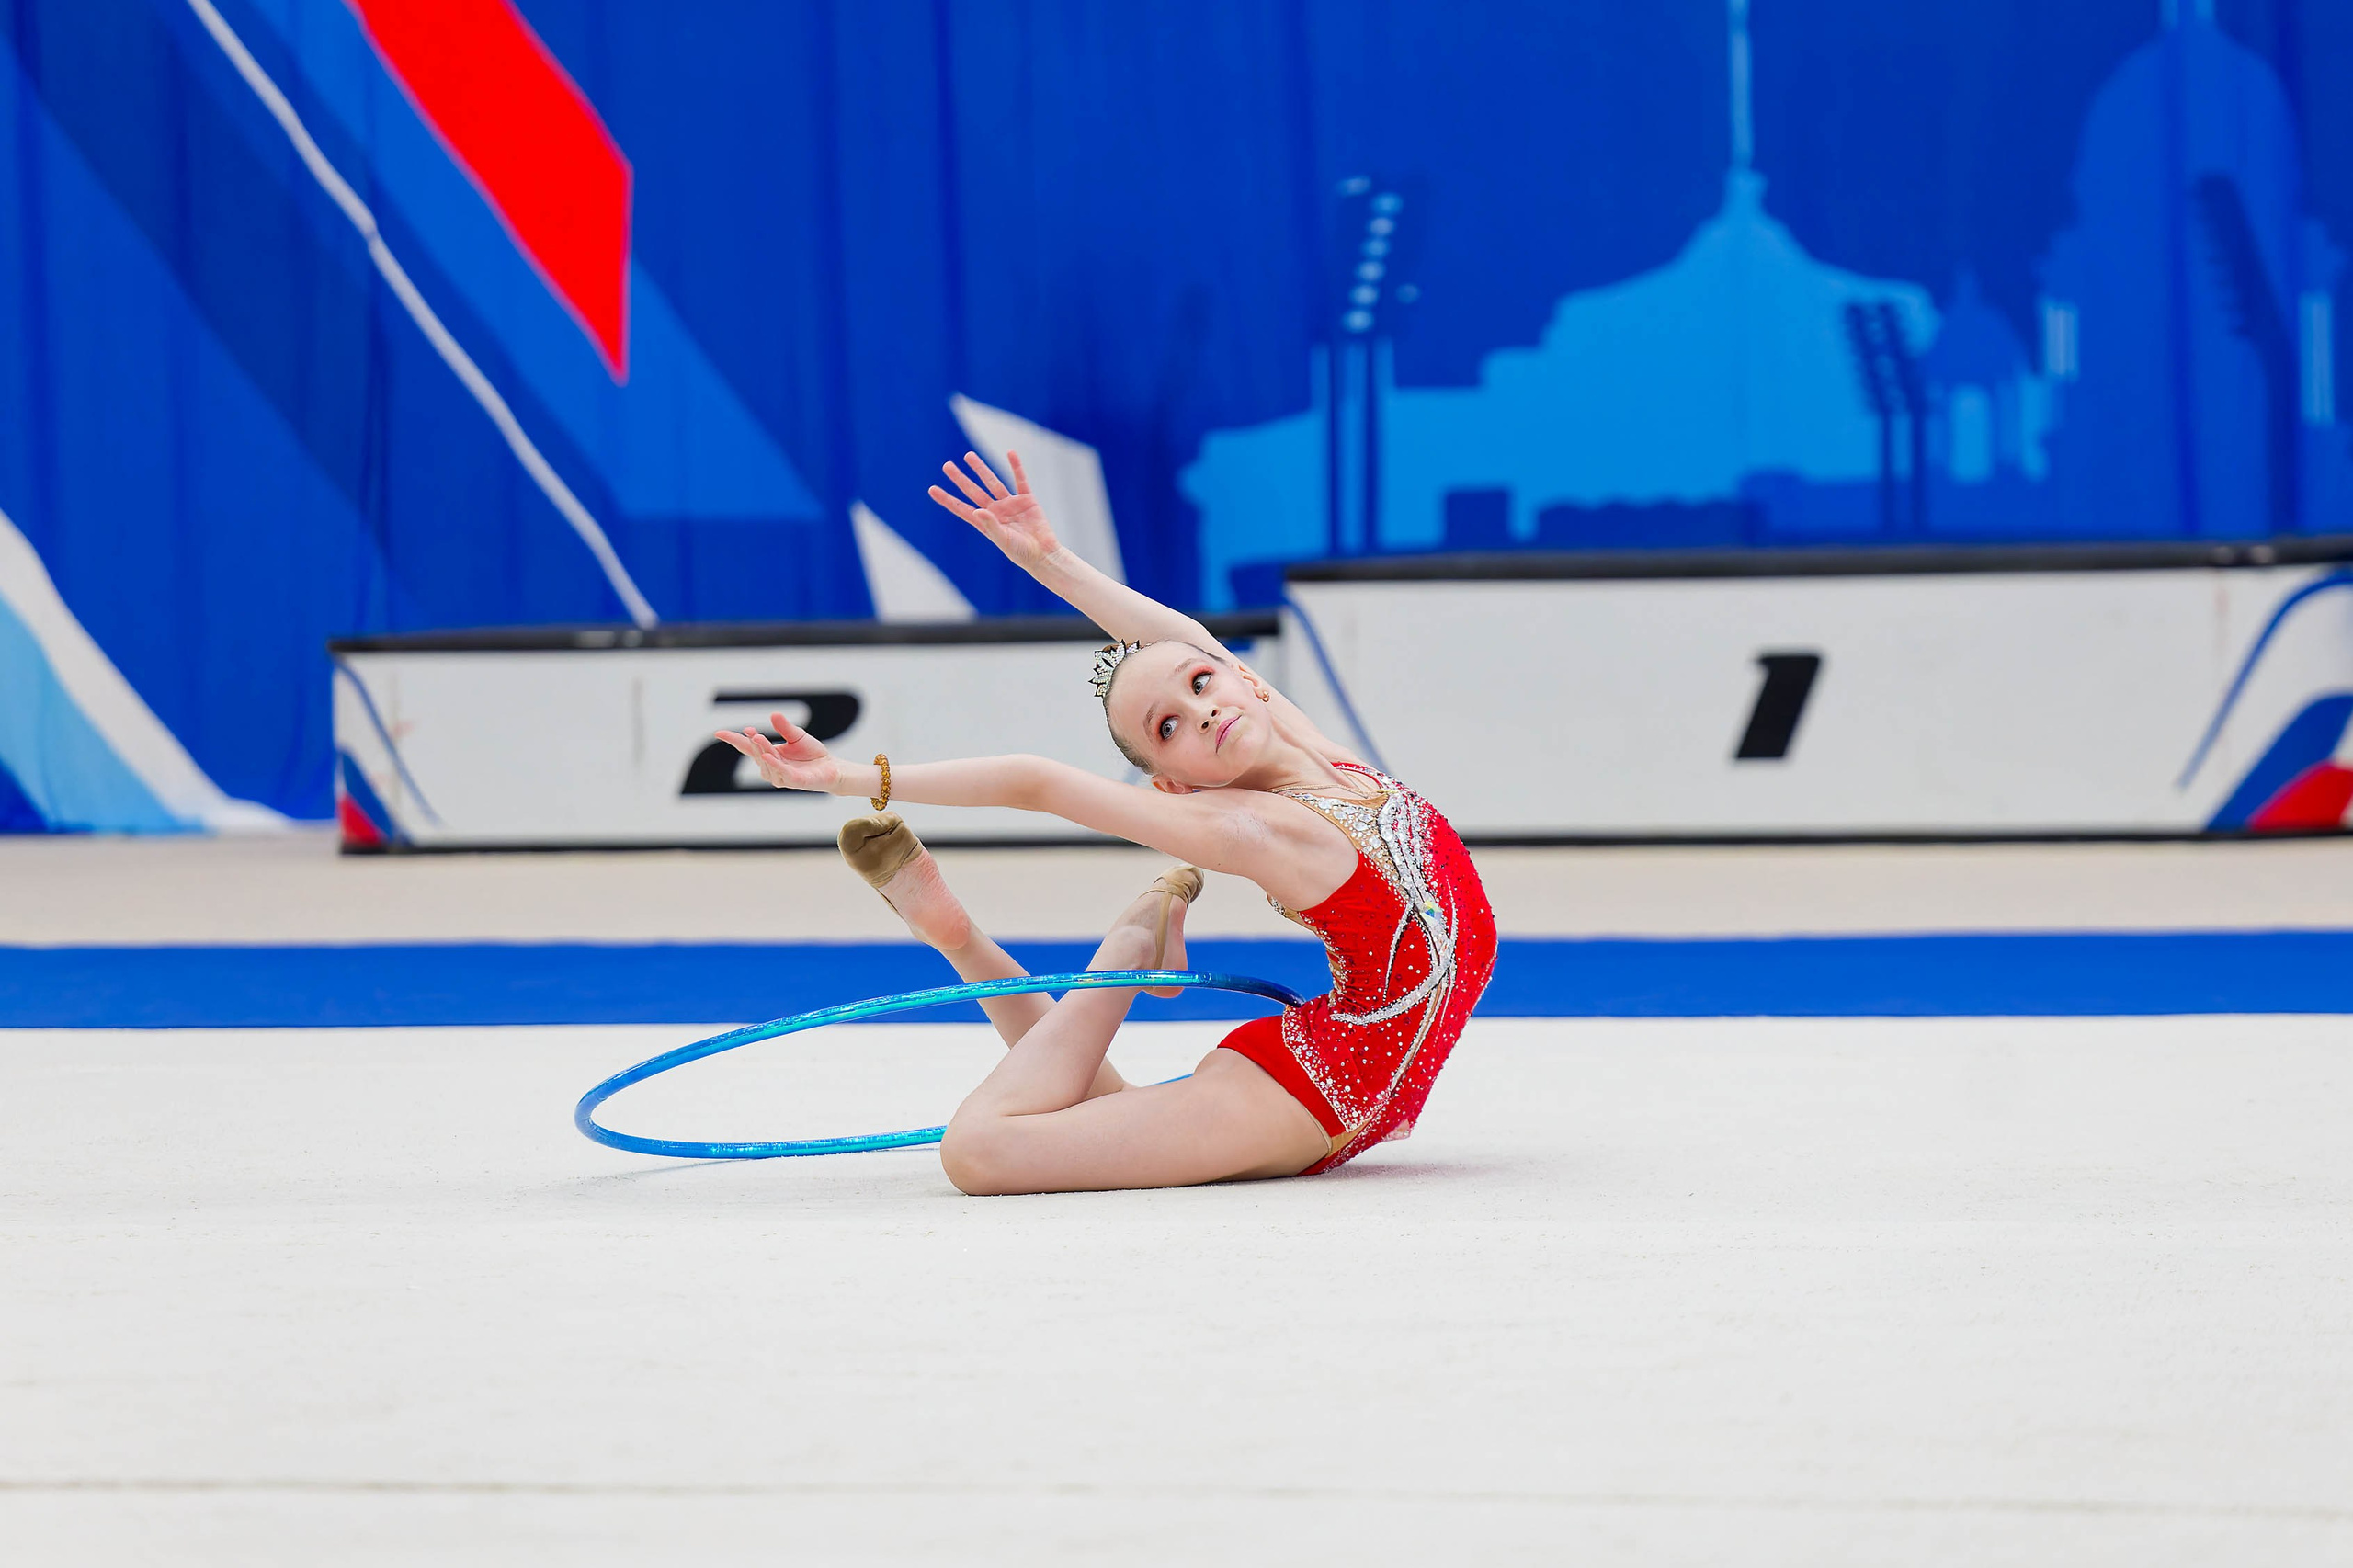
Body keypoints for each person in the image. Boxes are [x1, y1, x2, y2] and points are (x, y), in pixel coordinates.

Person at [717, 451, 1495, 1195]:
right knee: (979, 1152)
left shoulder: (1327, 761)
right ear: (1171, 783)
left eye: (1202, 683)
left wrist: (1048, 557)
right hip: (1313, 1094)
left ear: (1247, 680)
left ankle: (959, 938)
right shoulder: (1247, 827)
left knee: (1086, 1116)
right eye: (1168, 727)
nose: (1203, 711)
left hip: (1341, 1070)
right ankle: (1127, 943)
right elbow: (1037, 781)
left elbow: (1182, 636)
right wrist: (852, 777)